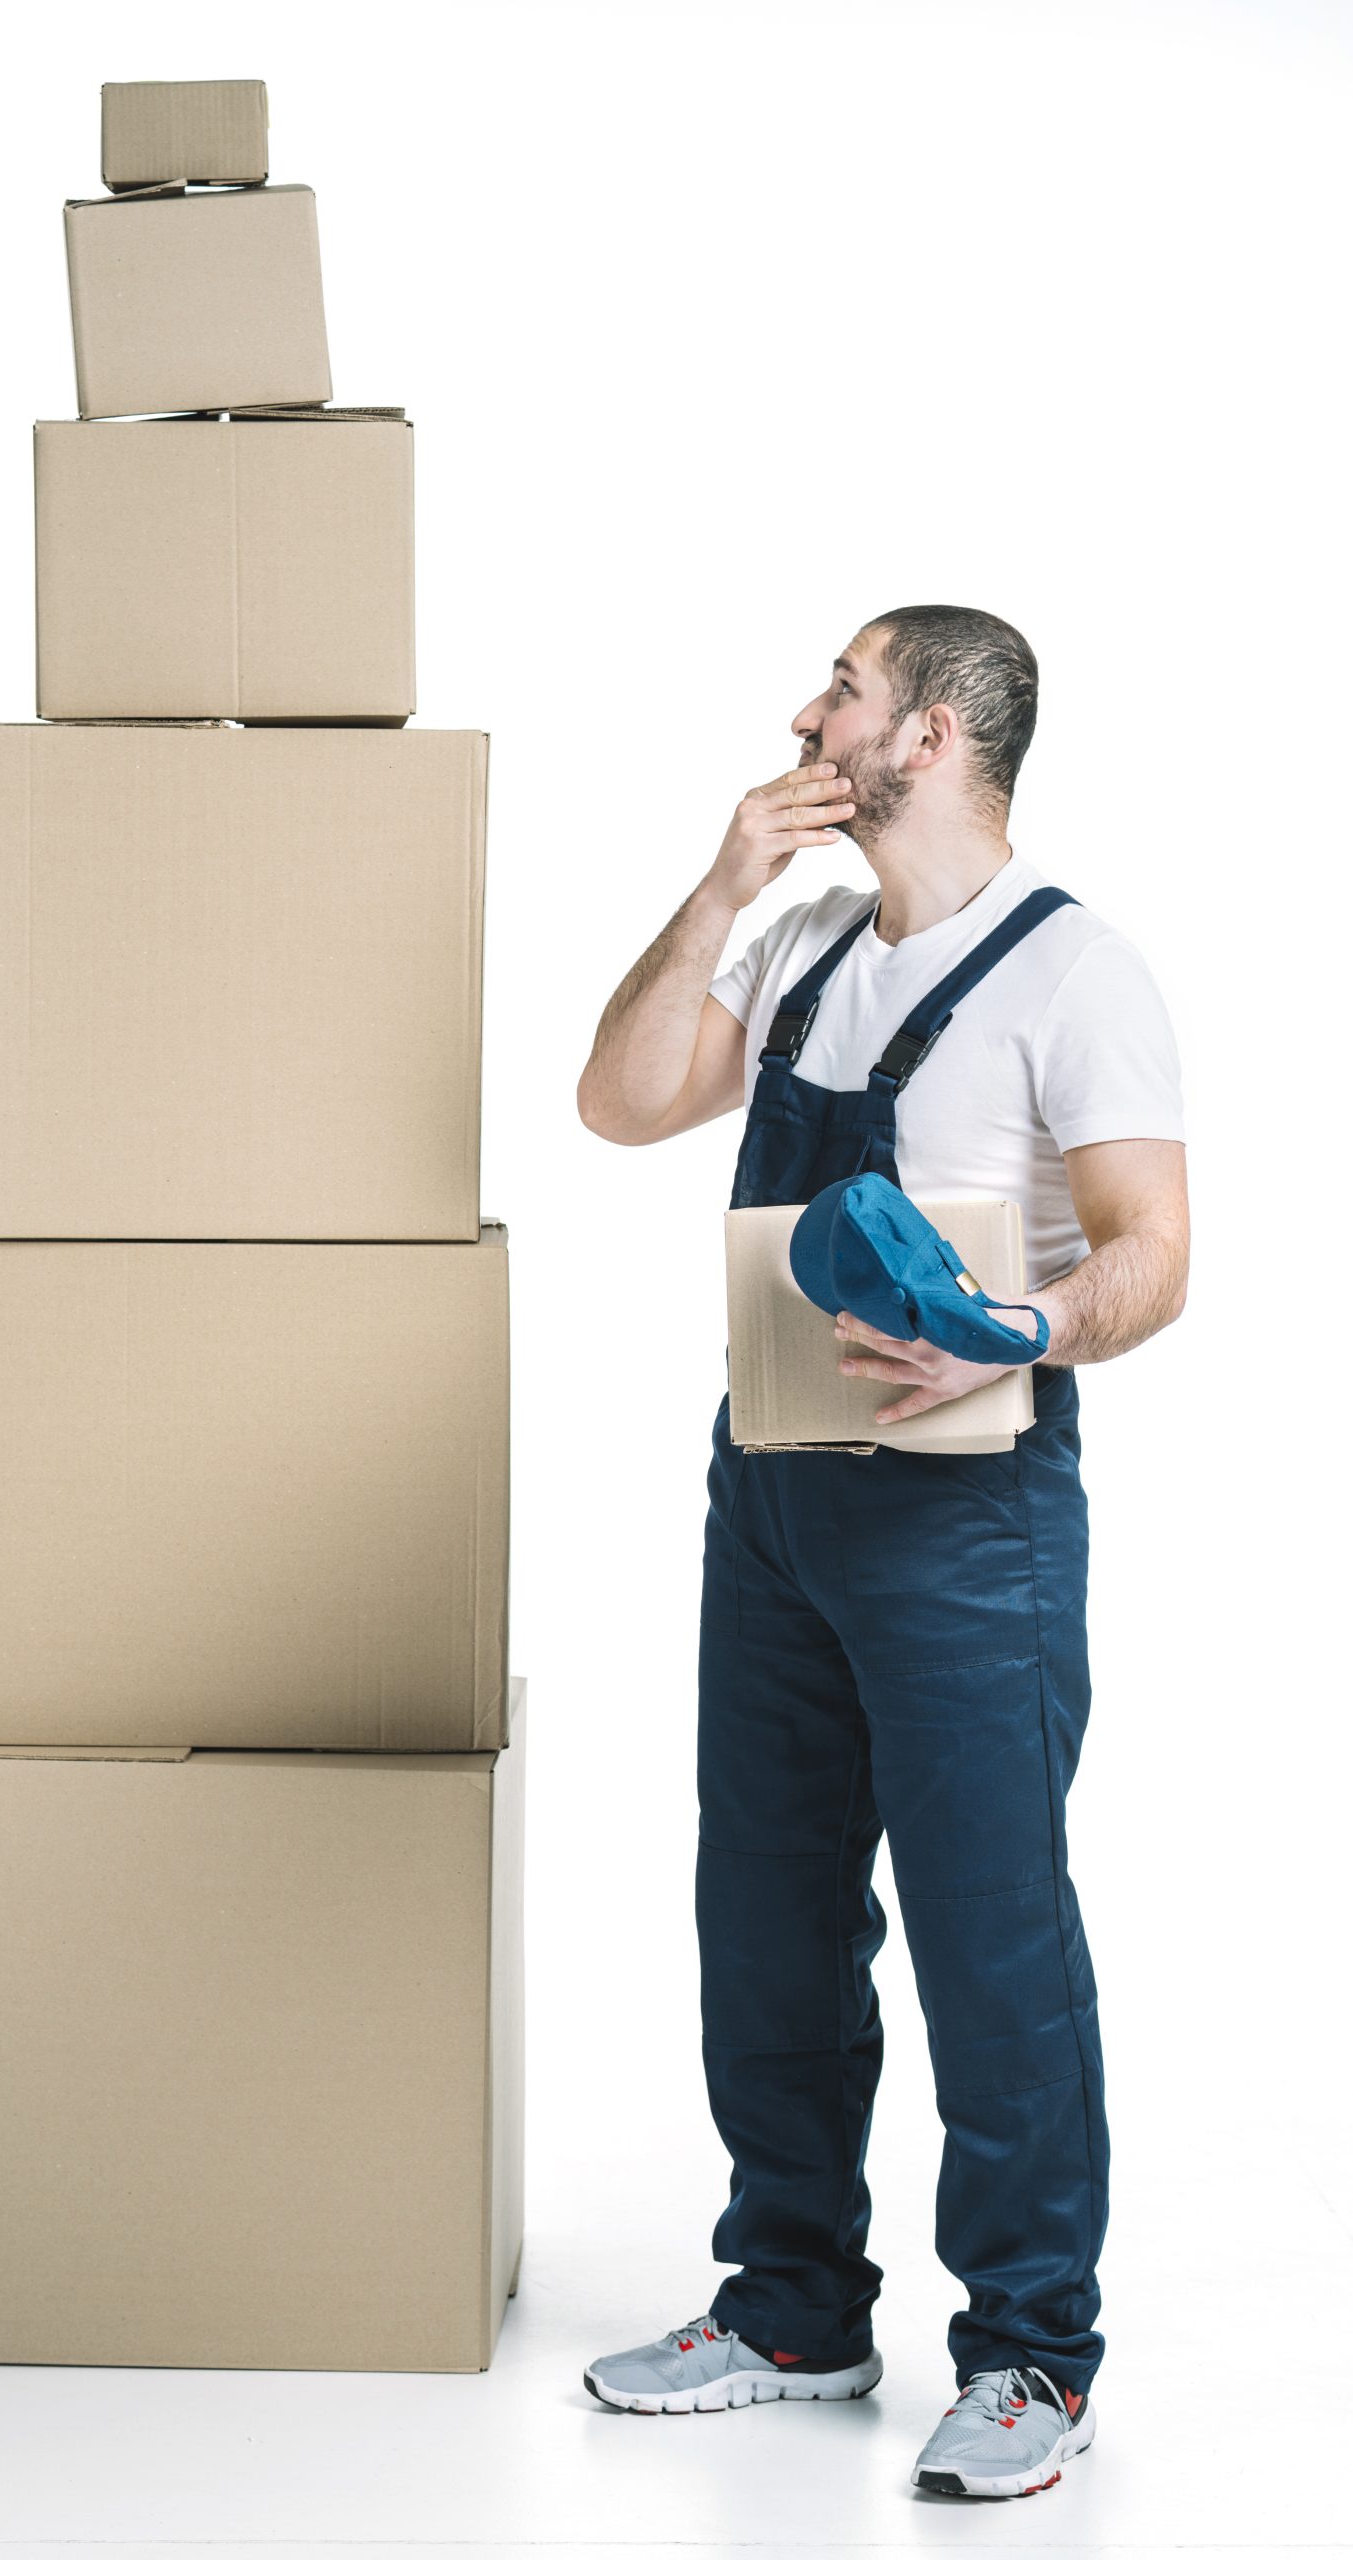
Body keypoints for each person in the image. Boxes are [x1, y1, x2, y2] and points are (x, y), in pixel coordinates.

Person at [574, 605, 1189, 2500]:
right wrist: (720, 886)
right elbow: (619, 1103)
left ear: (924, 735)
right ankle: (790, 2308)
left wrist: (1018, 1332)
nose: (804, 713)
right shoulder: (805, 942)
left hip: (964, 1520)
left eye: (839, 688)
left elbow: (1153, 1252)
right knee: (763, 1911)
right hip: (769, 1488)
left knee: (988, 1933)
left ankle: (1029, 2354)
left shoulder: (1073, 971)